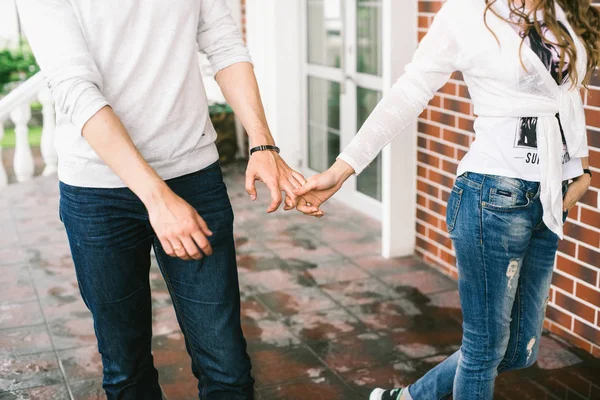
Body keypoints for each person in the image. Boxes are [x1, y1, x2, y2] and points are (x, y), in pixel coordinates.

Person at [294, 0, 599, 399]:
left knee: (518, 350)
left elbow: (568, 98)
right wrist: (344, 166)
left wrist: (581, 170)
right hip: (493, 195)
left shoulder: (567, 11)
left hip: (551, 195)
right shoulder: (467, 12)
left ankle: (407, 398)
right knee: (485, 348)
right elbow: (411, 90)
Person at [16, 1, 316, 399]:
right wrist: (157, 197)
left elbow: (225, 45)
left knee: (227, 367)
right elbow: (74, 87)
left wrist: (262, 143)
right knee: (126, 369)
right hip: (97, 194)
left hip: (193, 175)